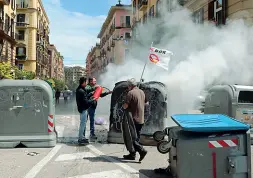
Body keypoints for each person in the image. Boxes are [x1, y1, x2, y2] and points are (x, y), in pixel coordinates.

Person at [122, 78, 148, 162]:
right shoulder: (142, 92)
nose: (127, 87)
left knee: (131, 137)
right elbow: (146, 103)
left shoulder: (130, 93)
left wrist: (123, 105)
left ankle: (141, 150)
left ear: (130, 85)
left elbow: (125, 106)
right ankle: (132, 154)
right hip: (141, 118)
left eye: (128, 85)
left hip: (133, 119)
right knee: (136, 138)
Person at [76, 77, 97, 144]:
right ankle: (80, 138)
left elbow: (85, 96)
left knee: (83, 123)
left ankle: (82, 137)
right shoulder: (81, 91)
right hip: (83, 109)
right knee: (83, 124)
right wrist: (93, 100)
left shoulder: (80, 89)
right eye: (85, 82)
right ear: (83, 82)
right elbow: (86, 102)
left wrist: (91, 94)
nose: (86, 84)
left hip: (82, 109)